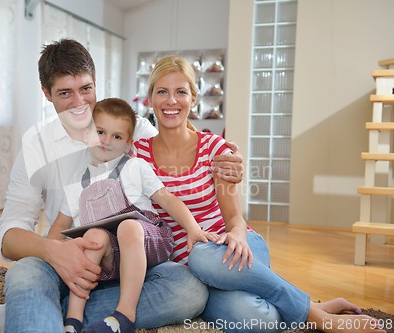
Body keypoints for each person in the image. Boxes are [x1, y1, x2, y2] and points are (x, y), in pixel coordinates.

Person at [0, 38, 244, 333]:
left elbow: (175, 161)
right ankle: (38, 307)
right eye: (65, 93)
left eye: (86, 89)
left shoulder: (132, 127)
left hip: (133, 257)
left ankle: (25, 312)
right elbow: (10, 237)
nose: (79, 103)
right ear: (46, 93)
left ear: (96, 84)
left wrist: (224, 157)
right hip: (71, 255)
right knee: (25, 273)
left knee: (189, 290)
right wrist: (55, 252)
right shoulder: (35, 147)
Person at [132, 54, 385, 333]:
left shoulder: (214, 148)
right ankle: (311, 306)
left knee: (203, 256)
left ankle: (319, 317)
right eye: (162, 92)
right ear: (151, 98)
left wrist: (238, 236)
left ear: (192, 98)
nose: (171, 101)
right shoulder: (138, 153)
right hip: (189, 274)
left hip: (231, 253)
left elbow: (234, 218)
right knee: (260, 322)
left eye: (180, 92)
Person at [49, 97, 219, 333]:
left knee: (128, 226)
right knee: (93, 237)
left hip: (146, 241)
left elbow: (167, 198)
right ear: (88, 132)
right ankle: (73, 320)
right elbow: (59, 225)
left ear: (128, 143)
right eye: (100, 132)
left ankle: (124, 316)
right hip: (111, 259)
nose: (107, 141)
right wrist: (50, 257)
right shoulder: (77, 179)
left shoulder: (134, 166)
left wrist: (193, 228)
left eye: (117, 137)